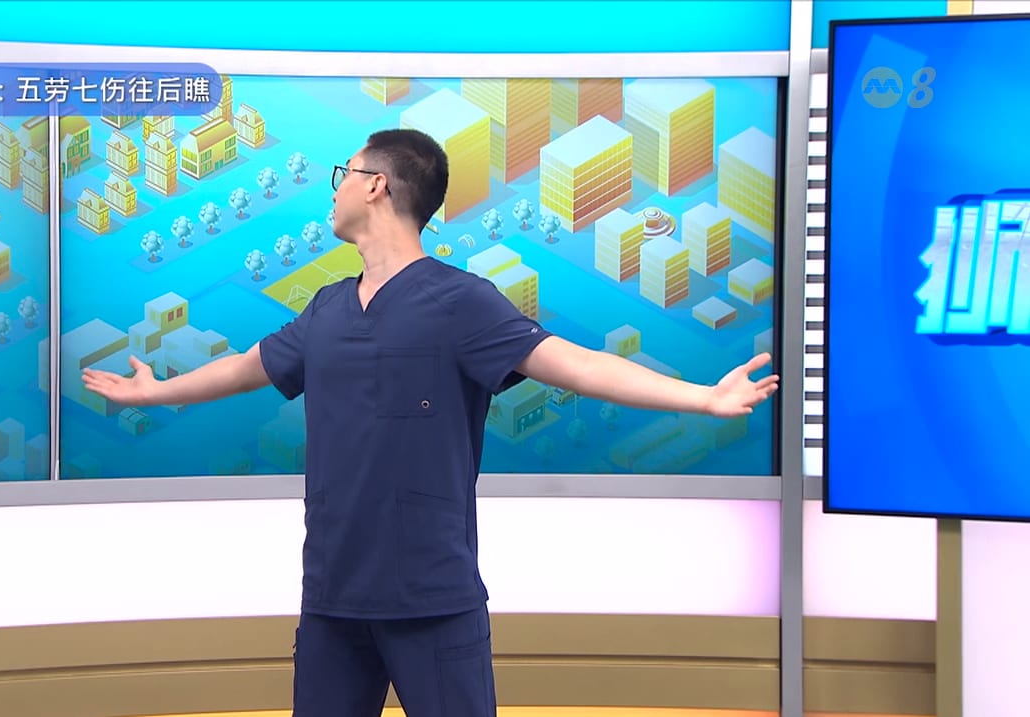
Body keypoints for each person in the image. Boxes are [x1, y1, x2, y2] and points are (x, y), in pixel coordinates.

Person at [82, 128, 779, 717]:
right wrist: (156, 393)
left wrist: (701, 398)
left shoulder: (460, 302)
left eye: (343, 175)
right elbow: (247, 367)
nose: (334, 190)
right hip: (332, 598)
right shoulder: (326, 308)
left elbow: (573, 363)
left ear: (376, 186)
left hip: (432, 599)